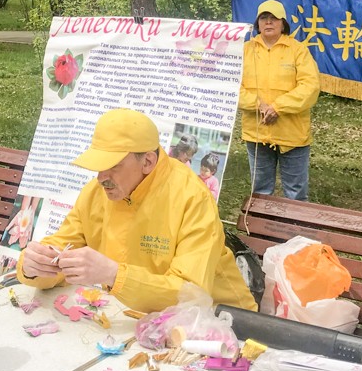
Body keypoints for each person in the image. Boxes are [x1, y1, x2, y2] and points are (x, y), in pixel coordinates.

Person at [17, 108, 257, 313]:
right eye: (98, 166)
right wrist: (33, 267)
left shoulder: (191, 197)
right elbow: (62, 247)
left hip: (220, 320)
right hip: (138, 317)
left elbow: (190, 293)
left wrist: (113, 275)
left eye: (113, 166)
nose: (101, 178)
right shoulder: (95, 192)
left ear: (148, 162)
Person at [239, 0, 320, 201]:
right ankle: (262, 231)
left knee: (296, 193)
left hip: (292, 134)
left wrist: (278, 107)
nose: (268, 22)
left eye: (274, 18)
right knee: (260, 192)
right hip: (256, 132)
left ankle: (295, 232)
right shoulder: (245, 50)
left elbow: (310, 86)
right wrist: (259, 105)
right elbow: (233, 86)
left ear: (283, 23)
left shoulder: (298, 50)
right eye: (264, 18)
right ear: (257, 23)